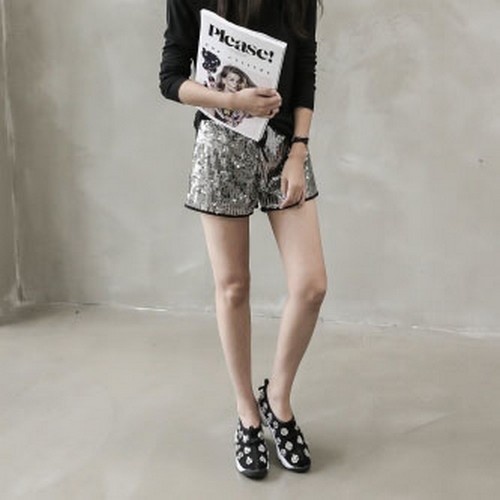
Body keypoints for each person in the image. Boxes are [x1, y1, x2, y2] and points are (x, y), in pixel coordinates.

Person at [159, 0, 326, 479]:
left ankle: (277, 399)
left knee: (311, 285)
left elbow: (306, 69)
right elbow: (171, 77)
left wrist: (298, 152)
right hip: (220, 144)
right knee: (233, 286)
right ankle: (247, 411)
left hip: (283, 150)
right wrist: (233, 101)